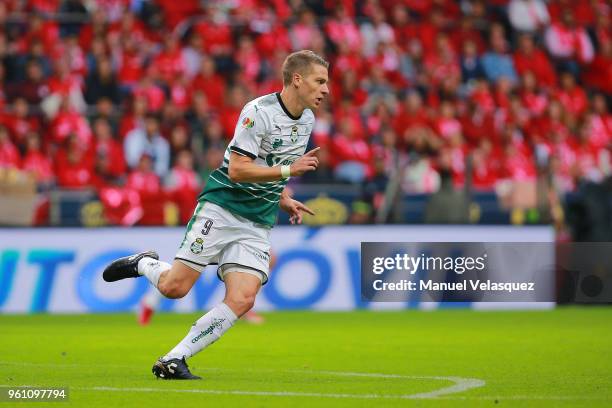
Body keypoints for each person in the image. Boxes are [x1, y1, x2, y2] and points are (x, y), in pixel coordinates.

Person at [102, 50, 330, 379]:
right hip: (223, 208)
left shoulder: (307, 120)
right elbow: (238, 169)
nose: (325, 90)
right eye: (319, 81)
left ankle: (174, 359)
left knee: (244, 297)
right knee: (174, 288)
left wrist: (283, 198)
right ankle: (143, 263)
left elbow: (268, 165)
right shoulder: (257, 112)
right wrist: (288, 171)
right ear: (297, 79)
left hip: (258, 221)